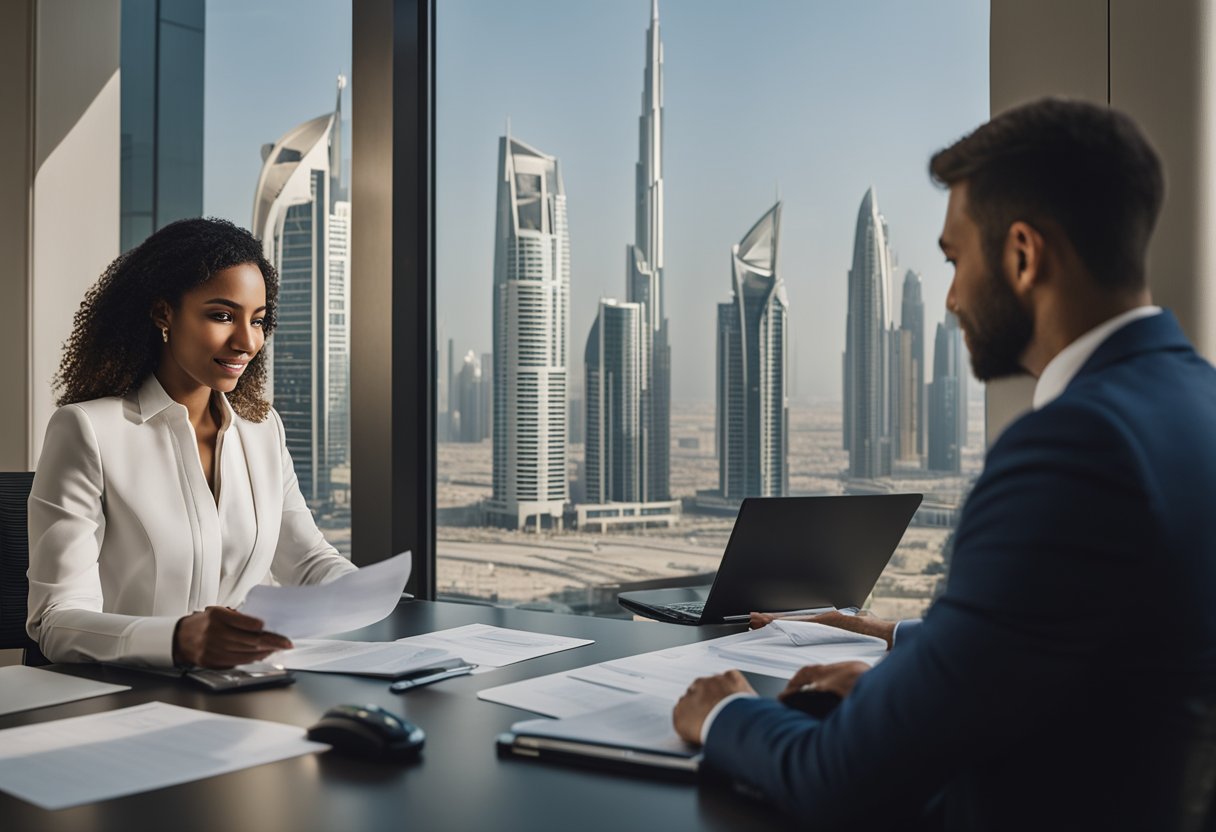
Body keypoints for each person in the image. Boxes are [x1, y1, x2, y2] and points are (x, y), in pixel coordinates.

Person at [673, 98, 1216, 830]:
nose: (953, 297)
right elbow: (1126, 646)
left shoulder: (1071, 446)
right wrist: (905, 644)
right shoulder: (1197, 402)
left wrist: (726, 712)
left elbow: (838, 781)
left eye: (956, 260)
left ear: (1023, 255)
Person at [27, 218, 357, 669]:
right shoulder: (87, 430)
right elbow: (55, 620)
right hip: (130, 698)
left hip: (248, 690)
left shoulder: (262, 429)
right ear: (164, 313)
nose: (246, 341)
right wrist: (179, 640)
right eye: (222, 315)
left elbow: (307, 561)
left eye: (257, 321)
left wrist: (367, 590)